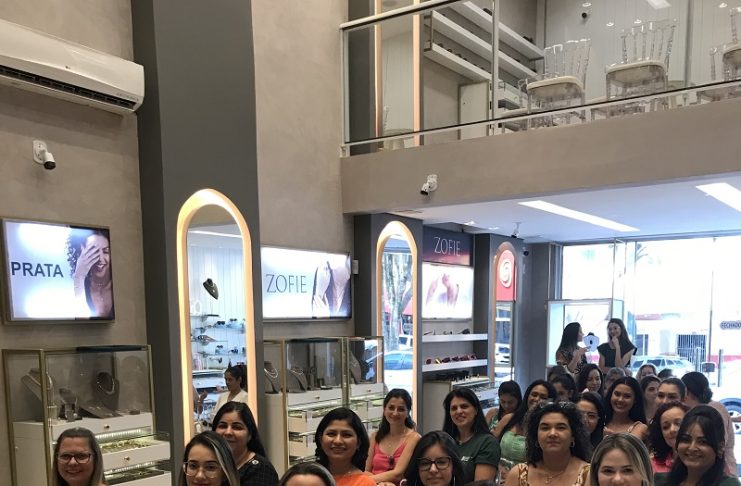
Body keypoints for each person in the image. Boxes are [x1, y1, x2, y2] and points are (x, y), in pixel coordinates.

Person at [503, 401, 592, 486]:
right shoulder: (519, 474)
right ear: (536, 436)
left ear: (573, 436)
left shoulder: (589, 475)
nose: (552, 434)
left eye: (561, 428)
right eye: (545, 428)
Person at [655, 406, 741, 486]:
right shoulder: (660, 481)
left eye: (703, 442)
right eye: (686, 440)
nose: (692, 448)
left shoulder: (729, 484)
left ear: (720, 447)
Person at [493, 380, 558, 475]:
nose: (537, 399)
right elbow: (491, 448)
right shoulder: (509, 419)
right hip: (499, 475)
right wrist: (498, 468)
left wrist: (515, 476)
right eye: (534, 394)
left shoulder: (550, 430)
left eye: (543, 397)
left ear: (551, 402)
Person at [681, 372, 738, 477]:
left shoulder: (714, 408)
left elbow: (717, 442)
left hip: (720, 471)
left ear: (689, 392)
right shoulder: (693, 410)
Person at [442, 388, 500, 483]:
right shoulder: (444, 441)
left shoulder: (487, 443)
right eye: (454, 408)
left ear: (476, 410)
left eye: (464, 406)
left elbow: (481, 485)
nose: (459, 411)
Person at [212, 402, 278, 486]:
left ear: (250, 435)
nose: (228, 432)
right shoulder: (207, 463)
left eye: (237, 427)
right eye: (223, 426)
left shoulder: (261, 470)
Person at [365, 389, 421, 485]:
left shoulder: (414, 438)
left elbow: (397, 474)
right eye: (391, 408)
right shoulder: (375, 437)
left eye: (401, 409)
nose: (395, 413)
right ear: (384, 409)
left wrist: (366, 480)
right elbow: (366, 470)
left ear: (408, 412)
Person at [314, 407, 375, 486]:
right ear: (320, 439)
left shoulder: (366, 483)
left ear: (358, 442)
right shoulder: (308, 477)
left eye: (346, 435)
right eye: (331, 434)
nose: (338, 441)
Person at [66, 229, 114, 319]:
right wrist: (79, 277)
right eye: (94, 252)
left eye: (106, 251)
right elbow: (80, 323)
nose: (101, 259)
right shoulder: (74, 287)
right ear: (80, 253)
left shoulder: (118, 285)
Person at [646, 401, 689, 473]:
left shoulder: (702, 462)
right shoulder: (651, 465)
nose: (672, 430)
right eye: (666, 427)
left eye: (678, 424)